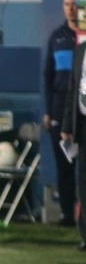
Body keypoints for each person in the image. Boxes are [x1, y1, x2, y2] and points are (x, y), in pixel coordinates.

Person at [43, 0, 77, 227]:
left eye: (74, 4)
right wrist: (48, 111)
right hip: (58, 110)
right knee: (64, 166)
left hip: (81, 111)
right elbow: (48, 76)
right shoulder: (56, 37)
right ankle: (67, 214)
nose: (70, 9)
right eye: (66, 4)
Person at [61, 41, 86, 251]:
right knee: (84, 182)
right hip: (83, 124)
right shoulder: (80, 50)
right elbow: (72, 89)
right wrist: (67, 125)